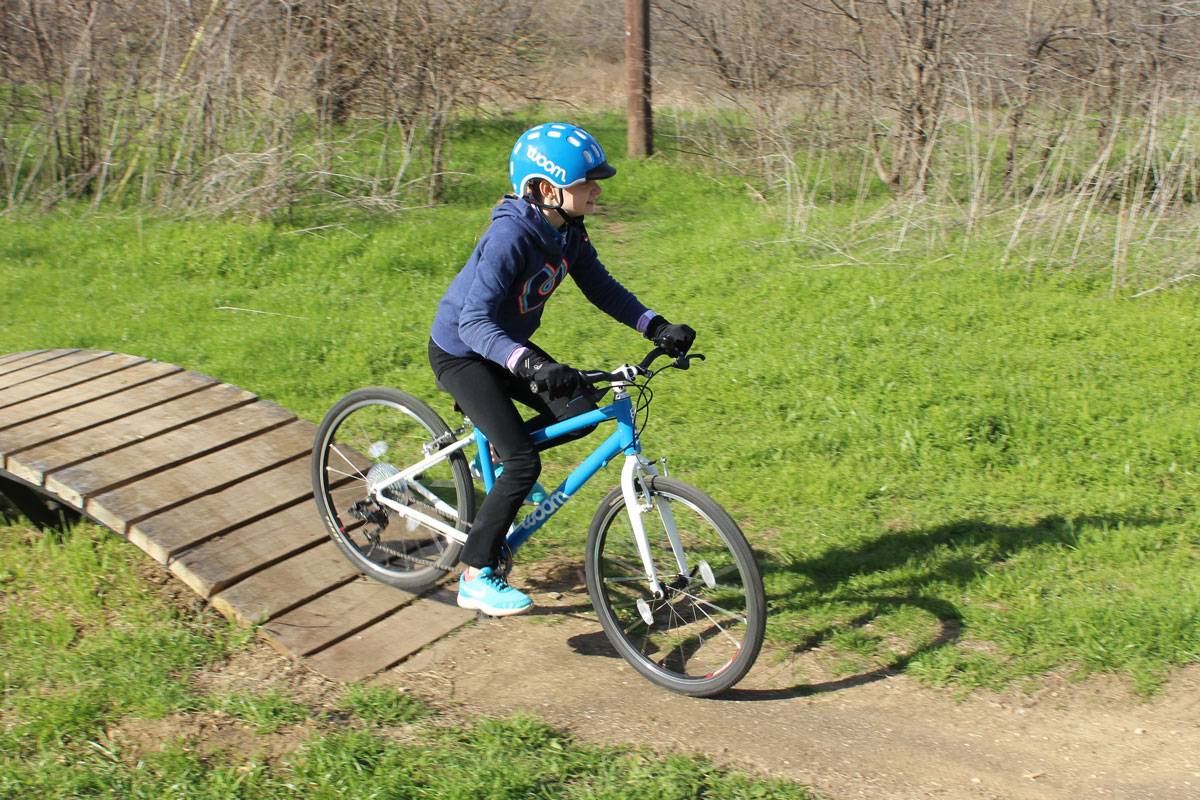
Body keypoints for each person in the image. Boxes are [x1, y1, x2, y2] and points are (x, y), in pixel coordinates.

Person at [427, 122, 696, 617]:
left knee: (579, 408)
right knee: (524, 462)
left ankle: (500, 457)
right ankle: (475, 575)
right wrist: (531, 363)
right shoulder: (510, 237)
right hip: (463, 352)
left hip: (504, 345)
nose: (597, 190)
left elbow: (601, 287)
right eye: (585, 182)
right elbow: (473, 322)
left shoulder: (567, 231)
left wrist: (655, 326)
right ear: (545, 189)